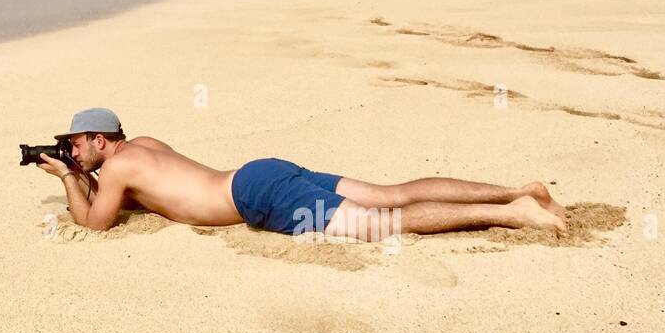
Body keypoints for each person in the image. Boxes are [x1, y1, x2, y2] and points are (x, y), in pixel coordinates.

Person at [36, 108, 566, 240]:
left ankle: (514, 214)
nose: (73, 151)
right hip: (261, 171)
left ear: (100, 140)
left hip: (257, 195)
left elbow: (98, 223)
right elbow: (146, 196)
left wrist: (66, 180)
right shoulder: (145, 147)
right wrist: (83, 174)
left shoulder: (118, 169)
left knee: (383, 224)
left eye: (76, 145)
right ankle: (519, 190)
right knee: (392, 194)